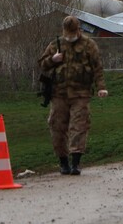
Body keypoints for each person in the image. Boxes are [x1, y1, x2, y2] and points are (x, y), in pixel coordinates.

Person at [38, 15, 108, 175]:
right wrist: (53, 59)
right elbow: (42, 64)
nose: (70, 35)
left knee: (79, 126)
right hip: (59, 94)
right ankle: (63, 162)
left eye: (72, 32)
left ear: (78, 30)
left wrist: (101, 87)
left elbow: (97, 67)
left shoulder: (89, 45)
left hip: (80, 94)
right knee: (57, 127)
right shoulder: (56, 45)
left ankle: (76, 162)